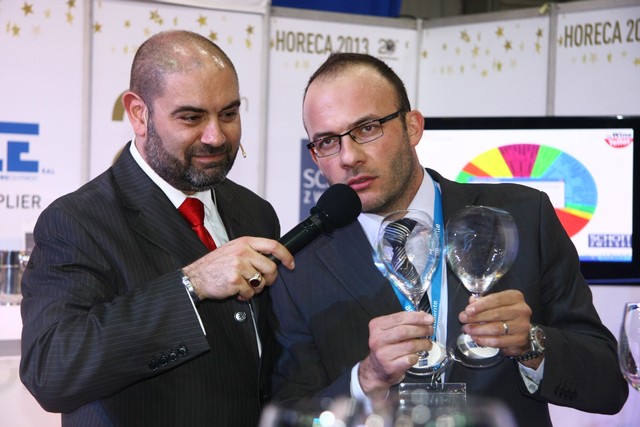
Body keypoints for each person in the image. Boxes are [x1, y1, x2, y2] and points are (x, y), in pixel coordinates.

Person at [268, 52, 629, 427]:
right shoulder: (298, 268)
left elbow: (608, 385)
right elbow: (289, 413)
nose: (349, 157)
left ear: (412, 127)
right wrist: (367, 379)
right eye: (327, 141)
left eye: (367, 128)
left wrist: (531, 344)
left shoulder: (524, 216)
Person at [19, 30, 294, 427]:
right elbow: (52, 371)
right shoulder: (76, 220)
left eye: (229, 114)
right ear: (138, 113)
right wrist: (191, 284)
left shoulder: (256, 212)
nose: (216, 136)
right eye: (191, 117)